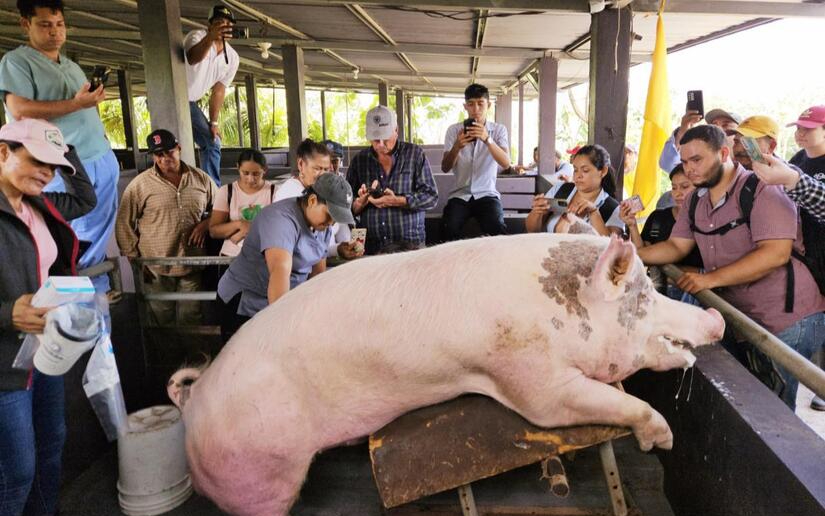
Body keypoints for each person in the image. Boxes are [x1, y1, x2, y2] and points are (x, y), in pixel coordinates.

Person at [637, 125, 825, 411]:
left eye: (697, 160)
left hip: (786, 318)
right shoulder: (695, 199)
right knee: (745, 401)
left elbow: (775, 253)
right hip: (740, 315)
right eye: (685, 162)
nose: (689, 170)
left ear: (724, 153)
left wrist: (710, 279)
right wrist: (633, 255)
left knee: (772, 411)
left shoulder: (763, 188)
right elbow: (677, 246)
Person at [0, 119, 96, 516]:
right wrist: (7, 313)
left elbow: (86, 198)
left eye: (53, 168)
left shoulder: (40, 204)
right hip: (4, 367)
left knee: (52, 446)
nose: (47, 173)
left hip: (44, 353)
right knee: (17, 471)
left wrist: (63, 147)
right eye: (38, 160)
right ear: (3, 152)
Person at [0, 0, 120, 296]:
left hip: (98, 156)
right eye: (44, 24)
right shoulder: (16, 62)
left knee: (98, 232)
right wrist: (76, 104)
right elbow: (20, 110)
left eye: (59, 24)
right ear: (25, 24)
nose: (54, 32)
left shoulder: (71, 65)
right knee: (70, 233)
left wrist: (88, 104)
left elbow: (80, 109)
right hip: (61, 163)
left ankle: (96, 288)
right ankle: (77, 293)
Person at [216, 173, 355, 340]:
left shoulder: (322, 226)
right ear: (312, 201)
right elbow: (279, 271)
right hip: (246, 301)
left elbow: (318, 271)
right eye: (330, 215)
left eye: (336, 219)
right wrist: (283, 327)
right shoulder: (280, 219)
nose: (331, 223)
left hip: (285, 301)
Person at [115, 129, 217, 326]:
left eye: (169, 152)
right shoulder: (140, 185)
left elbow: (222, 208)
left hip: (192, 261)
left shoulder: (201, 179)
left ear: (179, 148)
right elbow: (123, 223)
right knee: (162, 318)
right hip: (155, 265)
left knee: (192, 315)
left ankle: (195, 356)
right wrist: (134, 259)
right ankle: (167, 357)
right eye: (159, 154)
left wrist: (206, 224)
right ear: (154, 156)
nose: (164, 158)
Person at [347, 105, 438, 254]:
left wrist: (398, 200)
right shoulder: (359, 160)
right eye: (375, 139)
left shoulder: (414, 154)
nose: (380, 144)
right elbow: (346, 206)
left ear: (396, 130)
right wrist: (358, 204)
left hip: (410, 245)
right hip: (372, 247)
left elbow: (431, 197)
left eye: (385, 137)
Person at [620, 164, 703, 300]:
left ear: (700, 188)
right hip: (658, 294)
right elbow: (642, 252)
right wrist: (632, 225)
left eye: (685, 186)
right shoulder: (658, 217)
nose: (678, 193)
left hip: (694, 297)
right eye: (674, 187)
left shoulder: (706, 221)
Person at [440, 83, 510, 240]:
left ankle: (498, 263)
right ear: (465, 106)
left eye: (480, 103)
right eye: (471, 104)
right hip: (460, 195)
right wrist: (457, 146)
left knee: (497, 227)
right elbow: (445, 167)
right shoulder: (453, 131)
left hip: (487, 194)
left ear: (489, 105)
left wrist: (487, 139)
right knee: (448, 227)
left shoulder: (498, 130)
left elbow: (506, 163)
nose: (476, 109)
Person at [184, 4, 240, 186]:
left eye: (227, 24)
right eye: (218, 23)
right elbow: (193, 58)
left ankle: (211, 190)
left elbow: (219, 90)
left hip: (191, 104)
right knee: (173, 146)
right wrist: (210, 38)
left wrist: (213, 122)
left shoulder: (232, 57)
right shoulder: (197, 37)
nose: (223, 27)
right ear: (209, 25)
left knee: (212, 141)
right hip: (172, 97)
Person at [278, 139, 361, 260]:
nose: (322, 175)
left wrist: (341, 248)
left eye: (326, 169)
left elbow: (322, 246)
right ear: (301, 164)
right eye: (317, 168)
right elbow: (305, 251)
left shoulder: (323, 192)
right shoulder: (292, 194)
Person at [525, 144, 624, 237]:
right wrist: (537, 212)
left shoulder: (612, 209)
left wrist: (594, 213)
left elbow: (609, 245)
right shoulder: (560, 190)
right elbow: (532, 231)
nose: (578, 176)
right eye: (575, 170)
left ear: (603, 171)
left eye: (585, 170)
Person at [656, 107, 742, 209]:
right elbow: (668, 163)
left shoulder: (752, 171)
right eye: (714, 125)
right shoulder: (693, 168)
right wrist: (683, 131)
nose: (718, 129)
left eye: (726, 125)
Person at [208, 149, 276, 257]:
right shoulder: (226, 191)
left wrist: (249, 229)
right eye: (245, 173)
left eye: (256, 174)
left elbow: (281, 227)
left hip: (265, 256)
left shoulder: (274, 192)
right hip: (232, 256)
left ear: (265, 170)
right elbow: (214, 231)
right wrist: (239, 224)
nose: (250, 179)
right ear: (237, 167)